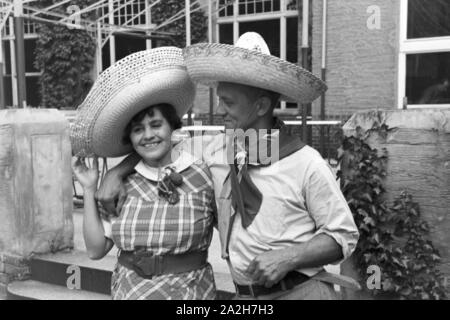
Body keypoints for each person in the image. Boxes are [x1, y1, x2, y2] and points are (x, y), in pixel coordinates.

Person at [96, 33, 360, 300]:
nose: (220, 109)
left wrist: (288, 257)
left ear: (261, 106)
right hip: (245, 297)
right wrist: (117, 172)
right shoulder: (216, 149)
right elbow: (160, 143)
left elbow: (343, 235)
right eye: (220, 99)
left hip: (302, 292)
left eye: (229, 102)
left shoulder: (306, 163)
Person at [70, 47, 217, 300]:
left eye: (156, 125)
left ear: (173, 126)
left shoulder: (203, 173)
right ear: (130, 138)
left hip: (192, 295)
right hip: (132, 292)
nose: (148, 135)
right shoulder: (119, 184)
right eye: (138, 129)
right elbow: (95, 250)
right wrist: (89, 188)